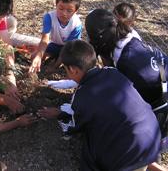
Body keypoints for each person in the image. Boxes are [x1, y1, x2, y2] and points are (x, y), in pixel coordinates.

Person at [39, 40, 161, 170]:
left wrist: (59, 114)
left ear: (73, 70)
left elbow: (74, 127)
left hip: (127, 154)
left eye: (65, 69)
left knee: (90, 148)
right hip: (153, 136)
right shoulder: (111, 71)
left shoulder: (82, 96)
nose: (66, 73)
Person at [29, 0, 82, 73]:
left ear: (75, 11)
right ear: (56, 5)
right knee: (34, 56)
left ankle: (56, 60)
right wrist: (39, 56)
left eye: (69, 11)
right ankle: (52, 57)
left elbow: (67, 48)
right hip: (55, 45)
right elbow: (45, 38)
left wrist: (54, 66)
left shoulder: (76, 24)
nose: (64, 13)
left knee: (72, 63)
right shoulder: (49, 17)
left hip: (70, 49)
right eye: (61, 8)